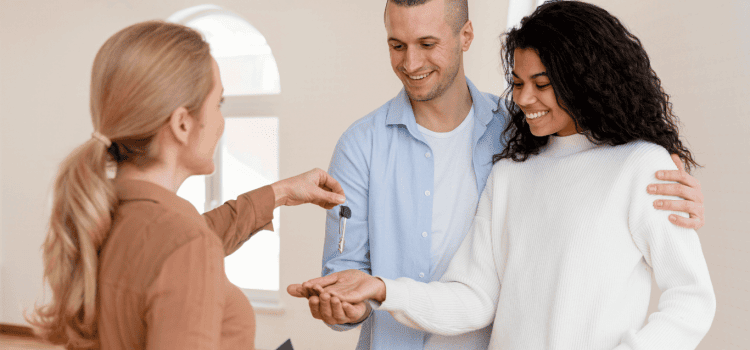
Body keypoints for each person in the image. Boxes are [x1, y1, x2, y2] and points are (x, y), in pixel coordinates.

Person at [291, 1, 716, 349]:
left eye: (542, 83)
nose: (524, 99)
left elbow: (691, 298)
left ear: (584, 79)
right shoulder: (513, 169)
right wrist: (383, 288)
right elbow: (475, 297)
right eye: (517, 82)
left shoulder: (641, 166)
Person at [27, 21, 345, 350]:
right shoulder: (183, 243)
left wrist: (283, 192)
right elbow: (189, 245)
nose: (222, 121)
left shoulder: (105, 217)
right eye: (218, 104)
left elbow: (196, 236)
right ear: (182, 123)